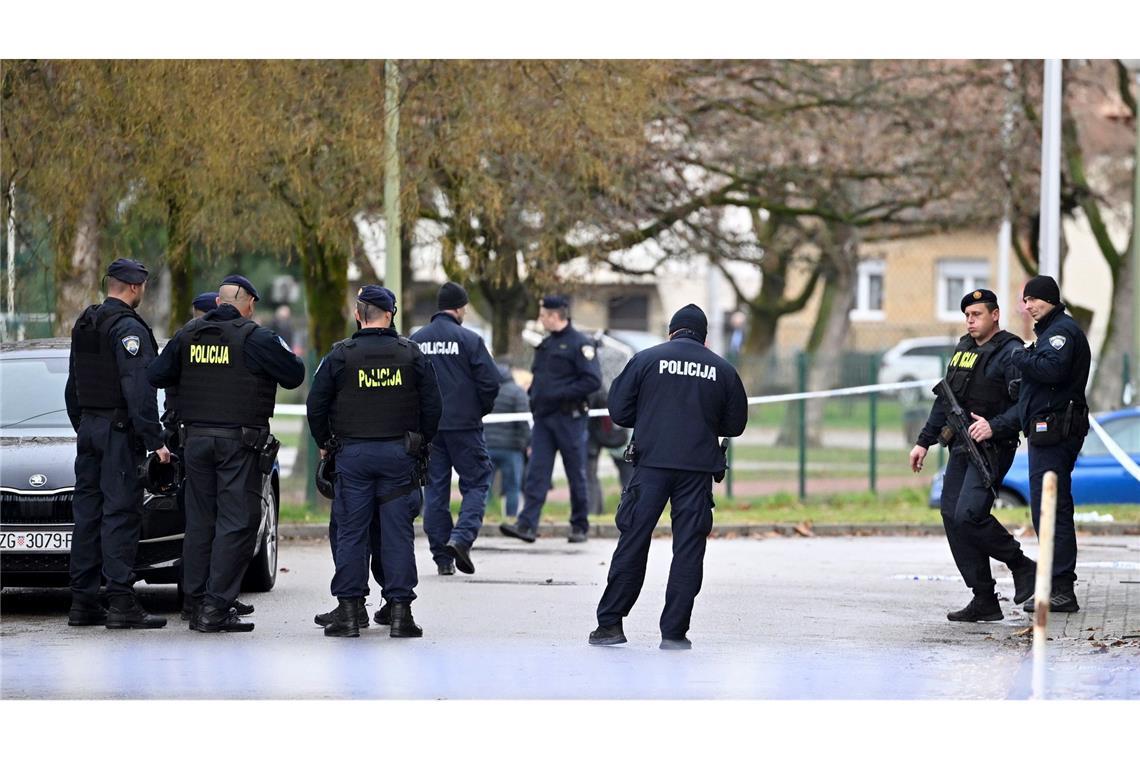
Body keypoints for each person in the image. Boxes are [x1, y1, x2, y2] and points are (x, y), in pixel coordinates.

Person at [148, 275, 304, 633]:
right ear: (247, 304)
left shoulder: (188, 335)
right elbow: (294, 375)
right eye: (253, 304)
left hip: (196, 442)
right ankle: (216, 607)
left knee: (201, 522)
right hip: (239, 444)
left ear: (218, 304)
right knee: (238, 522)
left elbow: (156, 375)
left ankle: (194, 601)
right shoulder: (255, 337)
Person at [589, 304, 748, 650]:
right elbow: (735, 424)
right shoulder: (722, 369)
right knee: (689, 549)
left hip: (650, 465)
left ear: (671, 331)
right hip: (698, 470)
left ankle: (610, 624)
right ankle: (674, 632)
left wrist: (650, 415)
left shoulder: (646, 360)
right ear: (704, 338)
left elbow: (619, 410)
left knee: (634, 539)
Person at [306, 285, 442, 638]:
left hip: (353, 456)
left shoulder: (340, 356)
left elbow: (316, 404)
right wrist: (421, 443)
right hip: (399, 455)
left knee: (351, 533)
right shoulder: (411, 354)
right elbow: (433, 406)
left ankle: (350, 613)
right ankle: (400, 613)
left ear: (357, 314)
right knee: (397, 534)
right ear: (391, 314)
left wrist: (324, 445)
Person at [908, 289, 1037, 622]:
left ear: (995, 315)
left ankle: (1022, 565)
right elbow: (945, 399)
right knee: (951, 515)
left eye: (976, 314)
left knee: (969, 515)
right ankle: (984, 598)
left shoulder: (1011, 352)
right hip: (961, 445)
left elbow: (1026, 406)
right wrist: (924, 441)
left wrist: (995, 426)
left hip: (993, 447)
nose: (970, 320)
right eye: (966, 315)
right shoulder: (963, 348)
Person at [64, 258, 171, 629]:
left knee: (87, 516)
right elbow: (138, 389)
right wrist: (154, 440)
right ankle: (122, 603)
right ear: (134, 287)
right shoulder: (127, 328)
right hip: (117, 432)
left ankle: (83, 603)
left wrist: (85, 424)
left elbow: (72, 386)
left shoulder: (85, 322)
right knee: (120, 515)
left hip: (90, 429)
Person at [1008, 275, 1091, 614]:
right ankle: (1054, 584)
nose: (1027, 306)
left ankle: (1060, 589)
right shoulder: (1050, 333)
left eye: (1033, 300)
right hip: (1046, 432)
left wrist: (1019, 357)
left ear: (1050, 299)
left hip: (1055, 433)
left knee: (1052, 510)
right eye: (1025, 301)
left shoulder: (1061, 333)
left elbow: (1052, 370)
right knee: (1049, 509)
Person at [410, 282, 499, 575]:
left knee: (435, 490)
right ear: (460, 308)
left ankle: (442, 558)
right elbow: (490, 382)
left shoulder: (417, 340)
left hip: (430, 429)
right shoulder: (469, 339)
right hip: (465, 427)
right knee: (476, 482)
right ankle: (461, 538)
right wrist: (477, 410)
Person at [501, 295, 601, 543]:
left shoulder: (580, 344)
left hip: (570, 418)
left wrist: (559, 393)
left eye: (543, 314)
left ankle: (580, 525)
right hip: (545, 420)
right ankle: (527, 525)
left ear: (555, 315)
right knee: (536, 473)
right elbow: (540, 380)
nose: (540, 319)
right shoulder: (545, 345)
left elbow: (592, 381)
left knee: (575, 474)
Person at [485, 361, 530, 519]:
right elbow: (524, 421)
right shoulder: (517, 392)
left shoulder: (486, 391)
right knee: (513, 487)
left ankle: (484, 516)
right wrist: (526, 443)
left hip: (487, 446)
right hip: (512, 448)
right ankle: (511, 517)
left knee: (484, 485)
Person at [585, 386, 632, 515]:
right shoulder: (604, 392)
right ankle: (596, 511)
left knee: (590, 478)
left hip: (619, 443)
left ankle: (594, 511)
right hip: (617, 441)